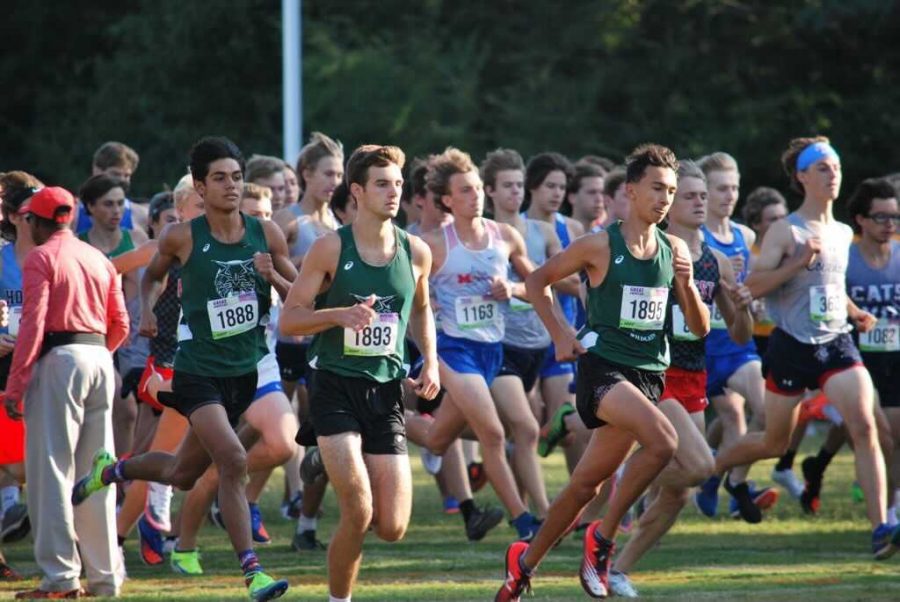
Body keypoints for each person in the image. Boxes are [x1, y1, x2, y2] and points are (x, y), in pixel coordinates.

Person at [71, 136, 293, 600]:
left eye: (236, 177)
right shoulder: (182, 236)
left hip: (244, 372)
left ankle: (112, 470)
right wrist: (147, 311)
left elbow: (298, 299)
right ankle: (253, 572)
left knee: (180, 473)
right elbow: (151, 274)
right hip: (196, 373)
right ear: (200, 186)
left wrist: (272, 276)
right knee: (232, 460)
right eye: (219, 178)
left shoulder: (265, 234)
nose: (231, 186)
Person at [495, 143, 709, 601]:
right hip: (604, 371)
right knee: (665, 440)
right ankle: (603, 540)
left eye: (671, 191)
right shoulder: (599, 244)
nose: (665, 199)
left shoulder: (674, 250)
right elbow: (536, 282)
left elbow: (697, 327)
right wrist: (558, 333)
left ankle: (523, 562)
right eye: (657, 189)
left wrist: (686, 285)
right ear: (630, 192)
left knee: (582, 486)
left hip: (649, 376)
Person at [713, 137, 900, 559]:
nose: (832, 174)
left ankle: (880, 528)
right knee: (774, 443)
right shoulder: (786, 230)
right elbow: (750, 287)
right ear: (801, 177)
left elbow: (830, 286)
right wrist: (796, 262)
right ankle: (714, 470)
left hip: (837, 344)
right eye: (822, 168)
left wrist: (853, 312)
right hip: (791, 347)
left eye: (835, 166)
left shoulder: (842, 231)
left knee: (867, 427)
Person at [280, 144, 439, 602]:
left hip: (386, 391)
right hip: (334, 386)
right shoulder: (331, 248)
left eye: (398, 184)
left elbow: (422, 311)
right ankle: (339, 599)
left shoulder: (417, 252)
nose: (394, 193)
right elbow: (290, 319)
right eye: (382, 184)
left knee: (391, 526)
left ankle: (319, 461)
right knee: (359, 509)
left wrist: (428, 360)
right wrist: (338, 316)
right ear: (357, 191)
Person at [609, 160, 752, 597]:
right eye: (687, 195)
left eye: (701, 196)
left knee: (680, 494)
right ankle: (619, 493)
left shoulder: (719, 261)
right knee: (700, 466)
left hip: (694, 374)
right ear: (669, 203)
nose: (696, 202)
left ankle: (615, 570)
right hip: (654, 371)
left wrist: (742, 304)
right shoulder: (655, 249)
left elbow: (739, 334)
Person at [409, 147, 543, 541]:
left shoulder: (506, 237)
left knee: (437, 438)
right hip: (453, 350)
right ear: (447, 199)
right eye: (464, 191)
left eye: (477, 189)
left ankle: (378, 421)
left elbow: (536, 286)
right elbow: (404, 294)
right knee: (494, 434)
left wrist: (513, 288)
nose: (476, 196)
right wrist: (424, 300)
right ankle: (524, 522)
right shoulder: (432, 243)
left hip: (492, 350)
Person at [5, 186, 129, 598]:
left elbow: (33, 325)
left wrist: (16, 384)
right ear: (71, 217)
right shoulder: (97, 258)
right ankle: (105, 577)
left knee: (52, 472)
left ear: (36, 221)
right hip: (99, 360)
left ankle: (60, 577)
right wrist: (97, 356)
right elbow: (121, 323)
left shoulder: (41, 257)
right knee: (96, 475)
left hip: (59, 362)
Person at [694, 152, 776, 523]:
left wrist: (752, 302)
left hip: (736, 345)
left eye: (734, 188)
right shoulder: (692, 237)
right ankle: (654, 495)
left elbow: (752, 292)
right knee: (720, 419)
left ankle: (733, 480)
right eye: (721, 189)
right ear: (704, 192)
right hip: (697, 347)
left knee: (767, 412)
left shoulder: (744, 235)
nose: (729, 196)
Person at [76, 141, 147, 234]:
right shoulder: (75, 215)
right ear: (97, 171)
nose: (122, 180)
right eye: (115, 174)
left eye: (126, 176)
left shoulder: (140, 216)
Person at [567, 161, 607, 233]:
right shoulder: (556, 233)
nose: (599, 199)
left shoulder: (607, 236)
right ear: (572, 198)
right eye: (592, 192)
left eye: (602, 193)